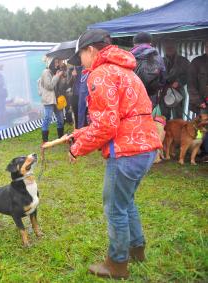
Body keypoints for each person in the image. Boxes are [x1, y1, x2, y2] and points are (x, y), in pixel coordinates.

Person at [54, 29, 162, 279]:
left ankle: (116, 264)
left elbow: (107, 125)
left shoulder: (100, 74)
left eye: (80, 55)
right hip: (146, 148)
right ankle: (137, 249)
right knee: (127, 202)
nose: (79, 62)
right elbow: (118, 117)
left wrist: (76, 148)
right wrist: (80, 134)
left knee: (114, 208)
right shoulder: (125, 70)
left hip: (126, 151)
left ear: (91, 50)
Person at [130, 32, 166, 106]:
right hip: (150, 97)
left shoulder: (128, 56)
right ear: (150, 43)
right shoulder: (158, 57)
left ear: (134, 44)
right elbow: (163, 79)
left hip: (131, 96)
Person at [188, 39, 208, 162]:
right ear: (205, 47)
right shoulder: (196, 62)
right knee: (202, 129)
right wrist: (198, 101)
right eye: (207, 46)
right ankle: (201, 152)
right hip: (202, 103)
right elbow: (191, 85)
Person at [39, 57, 66, 144]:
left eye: (58, 62)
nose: (57, 64)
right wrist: (57, 76)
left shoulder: (54, 72)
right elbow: (49, 86)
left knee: (61, 119)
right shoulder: (46, 72)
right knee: (48, 118)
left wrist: (61, 77)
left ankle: (60, 138)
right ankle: (45, 141)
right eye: (56, 63)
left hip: (57, 99)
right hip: (49, 100)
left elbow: (61, 85)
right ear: (51, 63)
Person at [162, 40, 190, 119]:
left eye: (171, 47)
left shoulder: (183, 61)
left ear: (175, 48)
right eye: (167, 47)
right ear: (164, 49)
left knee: (178, 116)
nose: (169, 49)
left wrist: (179, 82)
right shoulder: (161, 61)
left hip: (178, 92)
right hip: (164, 92)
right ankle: (166, 131)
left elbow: (189, 75)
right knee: (163, 117)